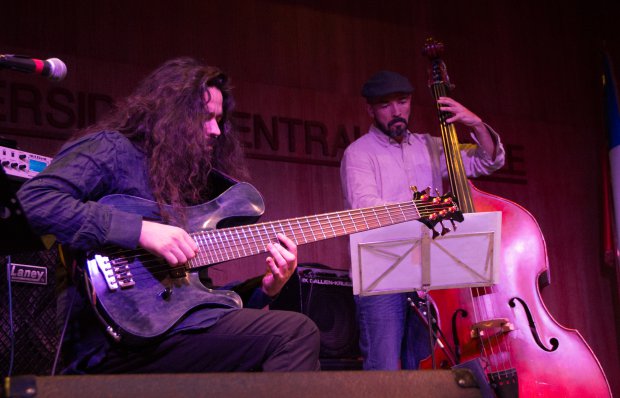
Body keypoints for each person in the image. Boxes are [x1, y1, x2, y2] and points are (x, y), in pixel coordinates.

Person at [17, 57, 320, 374]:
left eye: (219, 120)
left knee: (284, 337)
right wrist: (141, 231)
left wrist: (267, 289)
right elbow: (35, 201)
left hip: (170, 332)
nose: (216, 130)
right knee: (295, 333)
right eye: (206, 117)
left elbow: (193, 298)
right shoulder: (112, 149)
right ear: (172, 113)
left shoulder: (186, 180)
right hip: (110, 343)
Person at [340, 70, 505, 370]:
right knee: (385, 371)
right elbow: (367, 209)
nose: (396, 111)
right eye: (385, 105)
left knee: (424, 369)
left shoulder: (429, 146)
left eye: (402, 102)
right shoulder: (358, 153)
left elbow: (487, 160)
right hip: (382, 279)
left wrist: (476, 124)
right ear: (371, 109)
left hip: (427, 277)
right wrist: (426, 209)